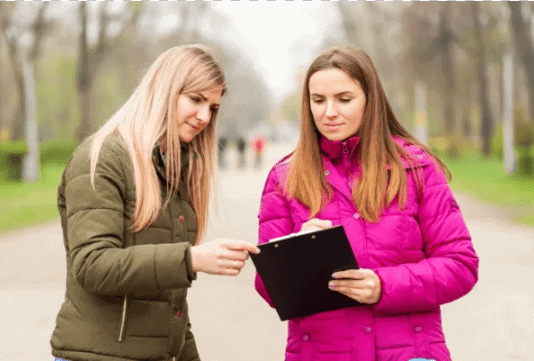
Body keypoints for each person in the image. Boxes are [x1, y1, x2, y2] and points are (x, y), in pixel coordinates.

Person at [254, 46, 478, 361]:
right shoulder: (284, 178)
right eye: (318, 100)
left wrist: (383, 286)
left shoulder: (416, 167)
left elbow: (461, 266)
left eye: (344, 99)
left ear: (370, 100)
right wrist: (295, 255)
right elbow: (268, 290)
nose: (329, 111)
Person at [50, 44, 260, 361]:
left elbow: (170, 306)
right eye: (196, 99)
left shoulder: (173, 168)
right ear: (164, 90)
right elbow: (92, 265)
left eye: (213, 107)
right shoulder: (103, 157)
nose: (204, 116)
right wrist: (190, 259)